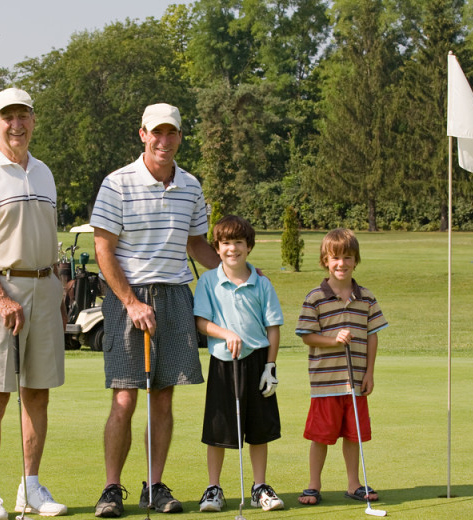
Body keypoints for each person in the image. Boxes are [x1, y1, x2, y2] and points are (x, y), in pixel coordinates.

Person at [89, 102, 220, 518]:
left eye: (172, 133)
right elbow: (103, 248)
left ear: (180, 137)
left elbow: (196, 243)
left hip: (176, 295)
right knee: (125, 398)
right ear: (142, 134)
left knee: (163, 400)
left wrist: (236, 274)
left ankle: (154, 484)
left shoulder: (191, 185)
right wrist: (130, 302)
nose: (164, 141)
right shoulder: (117, 183)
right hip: (129, 297)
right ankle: (112, 488)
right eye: (156, 133)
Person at [0, 87, 68, 520]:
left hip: (45, 290)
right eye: (8, 117)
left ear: (33, 120)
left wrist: (57, 291)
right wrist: (1, 297)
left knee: (38, 394)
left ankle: (31, 486)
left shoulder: (43, 172)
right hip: (0, 290)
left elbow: (47, 241)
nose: (16, 124)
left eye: (23, 116)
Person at [193, 215, 285, 513]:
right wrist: (226, 333)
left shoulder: (261, 283)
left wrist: (271, 367)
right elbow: (202, 322)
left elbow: (273, 327)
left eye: (239, 243)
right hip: (223, 361)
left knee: (259, 429)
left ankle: (259, 486)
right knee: (218, 429)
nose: (232, 249)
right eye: (225, 243)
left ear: (249, 246)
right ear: (216, 248)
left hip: (257, 361)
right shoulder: (208, 281)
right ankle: (213, 487)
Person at [295, 228, 388, 506]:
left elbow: (372, 336)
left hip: (356, 381)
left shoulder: (367, 297)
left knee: (353, 434)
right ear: (325, 260)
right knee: (321, 437)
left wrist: (370, 373)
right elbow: (307, 336)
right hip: (326, 382)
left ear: (356, 260)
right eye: (335, 257)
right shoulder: (315, 297)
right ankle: (313, 485)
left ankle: (353, 484)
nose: (342, 263)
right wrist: (333, 340)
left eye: (348, 257)